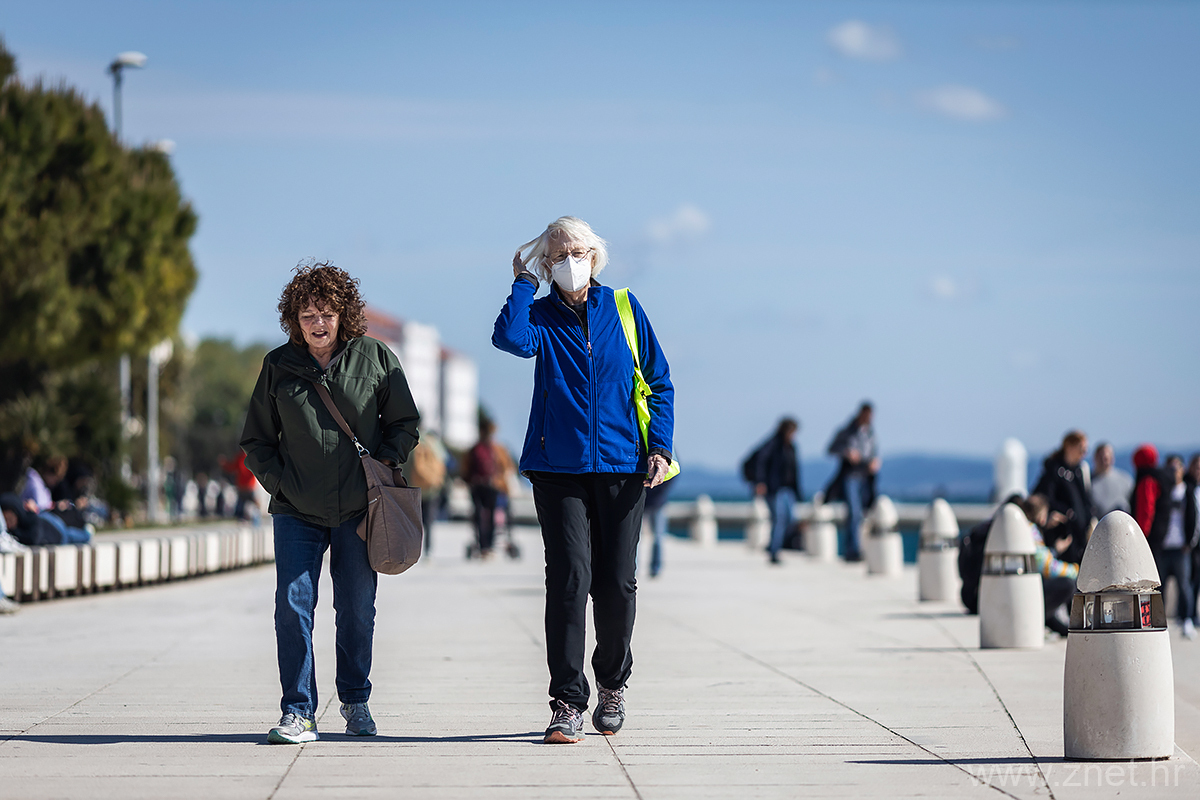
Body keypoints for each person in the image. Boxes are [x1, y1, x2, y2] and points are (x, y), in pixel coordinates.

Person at [493, 216, 674, 744]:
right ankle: (567, 702)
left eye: (577, 252)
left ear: (594, 256)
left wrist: (659, 446)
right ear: (546, 263)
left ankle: (612, 685)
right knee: (569, 578)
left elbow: (659, 381)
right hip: (557, 468)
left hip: (622, 463)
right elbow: (509, 339)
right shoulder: (539, 315)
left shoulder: (624, 308)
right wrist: (522, 285)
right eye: (557, 255)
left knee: (616, 582)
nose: (569, 262)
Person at [240, 262, 420, 745]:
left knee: (357, 608)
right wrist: (280, 484)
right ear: (294, 321)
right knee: (292, 605)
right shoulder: (278, 365)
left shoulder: (375, 358)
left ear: (344, 314)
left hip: (360, 508)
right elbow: (256, 439)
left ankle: (355, 700)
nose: (317, 324)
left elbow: (405, 423)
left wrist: (385, 463)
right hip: (296, 509)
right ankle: (298, 711)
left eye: (326, 313)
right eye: (307, 316)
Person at [1148, 454, 1197, 639]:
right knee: (1159, 587)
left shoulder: (1188, 491)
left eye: (1176, 468)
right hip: (1163, 547)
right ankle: (1159, 621)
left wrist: (1190, 542)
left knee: (1184, 586)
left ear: (1182, 470)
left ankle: (1187, 619)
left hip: (1181, 548)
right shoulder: (1161, 490)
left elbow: (1194, 517)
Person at [1019, 494, 1081, 637]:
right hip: (1034, 589)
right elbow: (1048, 567)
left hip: (1027, 586)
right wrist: (1075, 570)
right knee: (1069, 584)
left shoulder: (1025, 528)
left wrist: (1054, 549)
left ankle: (1059, 626)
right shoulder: (1031, 531)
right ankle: (1051, 620)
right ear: (1041, 515)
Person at [824, 403, 879, 563]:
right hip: (850, 476)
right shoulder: (846, 431)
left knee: (863, 513)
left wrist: (874, 461)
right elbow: (831, 449)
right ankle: (852, 550)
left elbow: (873, 451)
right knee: (854, 513)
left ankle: (858, 548)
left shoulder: (870, 432)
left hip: (866, 477)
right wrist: (847, 453)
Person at [1032, 431, 1093, 564]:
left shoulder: (1078, 472)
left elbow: (1085, 500)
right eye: (1081, 449)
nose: (1084, 453)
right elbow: (1043, 498)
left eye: (1085, 450)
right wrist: (1066, 513)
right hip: (1061, 535)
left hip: (1079, 537)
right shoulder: (1054, 471)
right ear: (1069, 447)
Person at [749, 418, 802, 565]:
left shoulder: (791, 447)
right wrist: (760, 481)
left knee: (790, 519)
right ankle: (774, 550)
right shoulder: (772, 444)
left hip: (788, 489)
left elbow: (794, 470)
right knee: (779, 519)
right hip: (775, 489)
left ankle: (776, 544)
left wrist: (798, 491)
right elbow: (760, 461)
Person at [461, 419, 515, 559]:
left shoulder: (475, 449)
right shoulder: (497, 449)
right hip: (490, 486)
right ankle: (487, 546)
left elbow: (465, 470)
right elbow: (507, 467)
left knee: (480, 516)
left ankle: (484, 546)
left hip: (480, 486)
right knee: (488, 516)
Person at [402, 432, 448, 555]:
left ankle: (412, 548)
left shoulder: (409, 440)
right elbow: (443, 462)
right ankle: (428, 549)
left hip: (413, 486)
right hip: (431, 487)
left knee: (412, 520)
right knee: (428, 521)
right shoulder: (433, 442)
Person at [0, 493, 91, 545]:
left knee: (73, 536)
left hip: (56, 529)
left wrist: (14, 532)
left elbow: (33, 539)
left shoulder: (30, 519)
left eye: (9, 519)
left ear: (17, 513)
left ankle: (87, 532)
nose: (8, 524)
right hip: (49, 521)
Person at [1090, 442, 1132, 518]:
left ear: (1112, 458)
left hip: (1122, 522)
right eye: (1101, 458)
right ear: (1095, 458)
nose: (1104, 461)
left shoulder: (1126, 480)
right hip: (1097, 523)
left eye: (1106, 458)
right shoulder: (1087, 481)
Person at [1130, 443, 1160, 537]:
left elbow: (1146, 509)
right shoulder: (1156, 477)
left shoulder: (1146, 481)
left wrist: (1141, 535)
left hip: (1148, 536)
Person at [643, 479, 671, 578]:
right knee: (634, 538)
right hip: (645, 501)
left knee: (658, 537)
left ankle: (656, 568)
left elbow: (672, 475)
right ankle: (633, 568)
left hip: (657, 502)